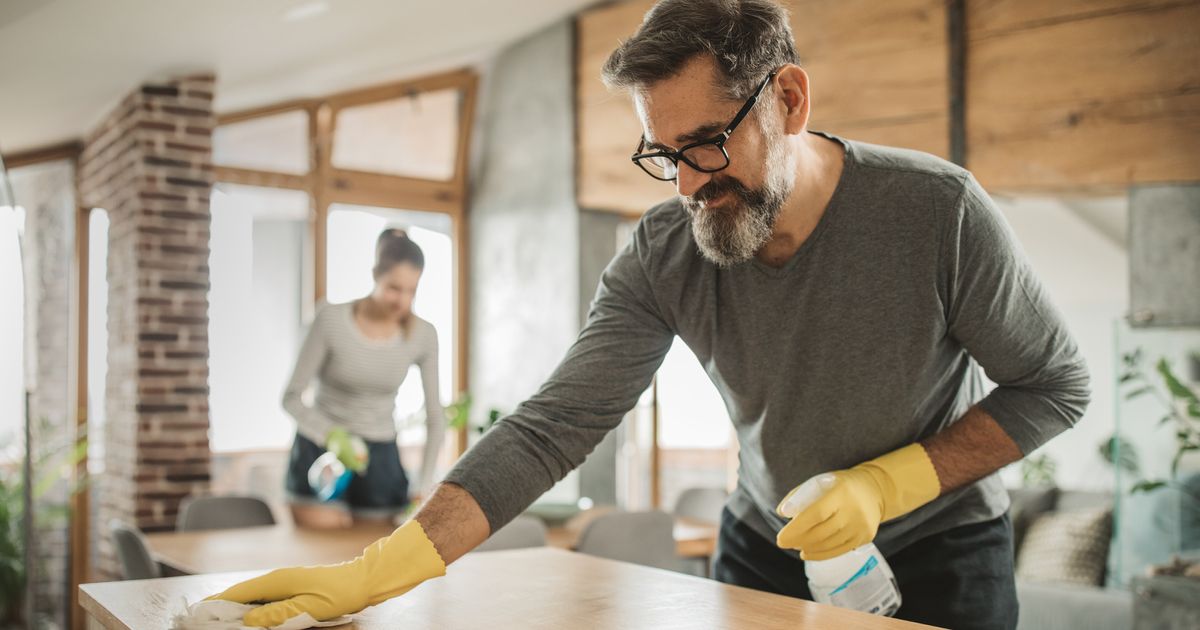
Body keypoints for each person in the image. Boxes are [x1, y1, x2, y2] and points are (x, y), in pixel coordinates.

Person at [211, 1, 1090, 627]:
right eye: (664, 155)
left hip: (940, 550)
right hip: (763, 542)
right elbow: (554, 426)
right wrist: (382, 569)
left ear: (788, 100)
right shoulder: (665, 250)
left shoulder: (937, 212)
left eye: (708, 142)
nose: (691, 185)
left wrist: (885, 484)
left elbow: (1054, 384)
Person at [282, 228, 445, 528]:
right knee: (319, 555)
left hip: (380, 458)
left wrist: (422, 486)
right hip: (319, 450)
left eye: (412, 290)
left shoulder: (423, 335)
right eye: (394, 288)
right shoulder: (330, 319)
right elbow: (291, 397)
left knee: (371, 557)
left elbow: (436, 416)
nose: (403, 301)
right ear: (375, 275)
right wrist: (331, 435)